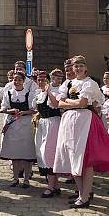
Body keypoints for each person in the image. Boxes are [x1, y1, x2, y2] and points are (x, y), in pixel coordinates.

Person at [51, 55, 109, 208]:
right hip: (69, 121)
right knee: (72, 156)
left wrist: (67, 102)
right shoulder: (68, 83)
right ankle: (82, 193)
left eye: (81, 66)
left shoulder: (90, 83)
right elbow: (57, 103)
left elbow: (83, 103)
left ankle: (84, 196)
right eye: (76, 66)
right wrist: (70, 102)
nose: (78, 69)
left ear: (86, 68)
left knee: (85, 158)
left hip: (85, 121)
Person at [0, 71, 37, 188]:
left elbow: (34, 110)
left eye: (19, 80)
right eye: (15, 80)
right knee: (14, 153)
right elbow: (3, 108)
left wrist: (24, 112)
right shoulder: (9, 93)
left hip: (26, 125)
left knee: (27, 153)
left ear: (23, 81)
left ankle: (26, 179)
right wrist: (10, 111)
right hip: (13, 125)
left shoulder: (29, 94)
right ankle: (15, 178)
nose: (16, 82)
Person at [35, 69, 64, 197]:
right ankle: (55, 185)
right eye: (39, 79)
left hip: (53, 123)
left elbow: (56, 104)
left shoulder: (57, 91)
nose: (40, 82)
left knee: (49, 152)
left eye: (43, 80)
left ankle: (51, 186)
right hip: (43, 124)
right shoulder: (39, 93)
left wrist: (49, 92)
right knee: (41, 152)